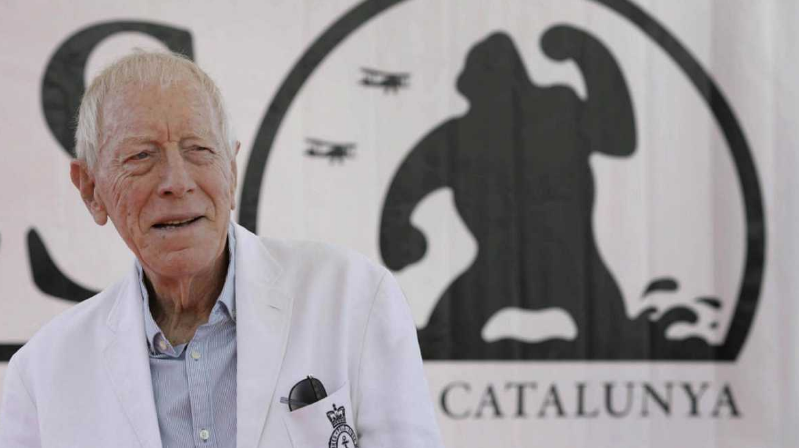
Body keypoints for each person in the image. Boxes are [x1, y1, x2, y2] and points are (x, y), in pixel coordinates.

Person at [0, 50, 443, 448]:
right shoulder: (42, 376)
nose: (177, 182)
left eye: (199, 149)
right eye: (141, 157)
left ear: (231, 170)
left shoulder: (353, 297)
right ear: (91, 190)